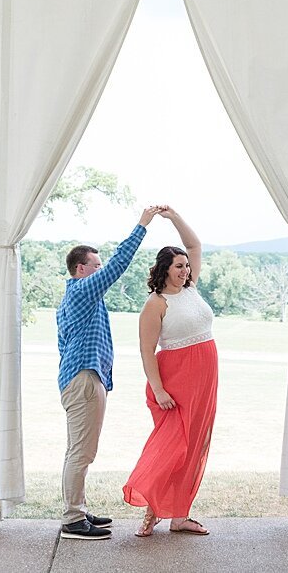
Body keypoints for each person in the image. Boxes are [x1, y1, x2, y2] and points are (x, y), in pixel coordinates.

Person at [56, 206, 163, 540]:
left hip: (83, 378)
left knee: (78, 449)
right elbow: (119, 263)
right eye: (95, 265)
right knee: (82, 452)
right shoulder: (82, 290)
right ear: (80, 268)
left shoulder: (76, 299)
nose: (101, 270)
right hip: (85, 379)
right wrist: (142, 225)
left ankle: (78, 510)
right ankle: (73, 519)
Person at [124, 206, 220, 537]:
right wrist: (160, 389)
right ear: (165, 269)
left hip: (204, 381)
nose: (186, 269)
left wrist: (175, 217)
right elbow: (146, 350)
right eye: (179, 266)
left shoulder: (191, 289)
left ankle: (180, 516)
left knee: (194, 446)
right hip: (174, 382)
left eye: (186, 266)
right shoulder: (156, 304)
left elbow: (195, 246)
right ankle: (151, 513)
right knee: (172, 448)